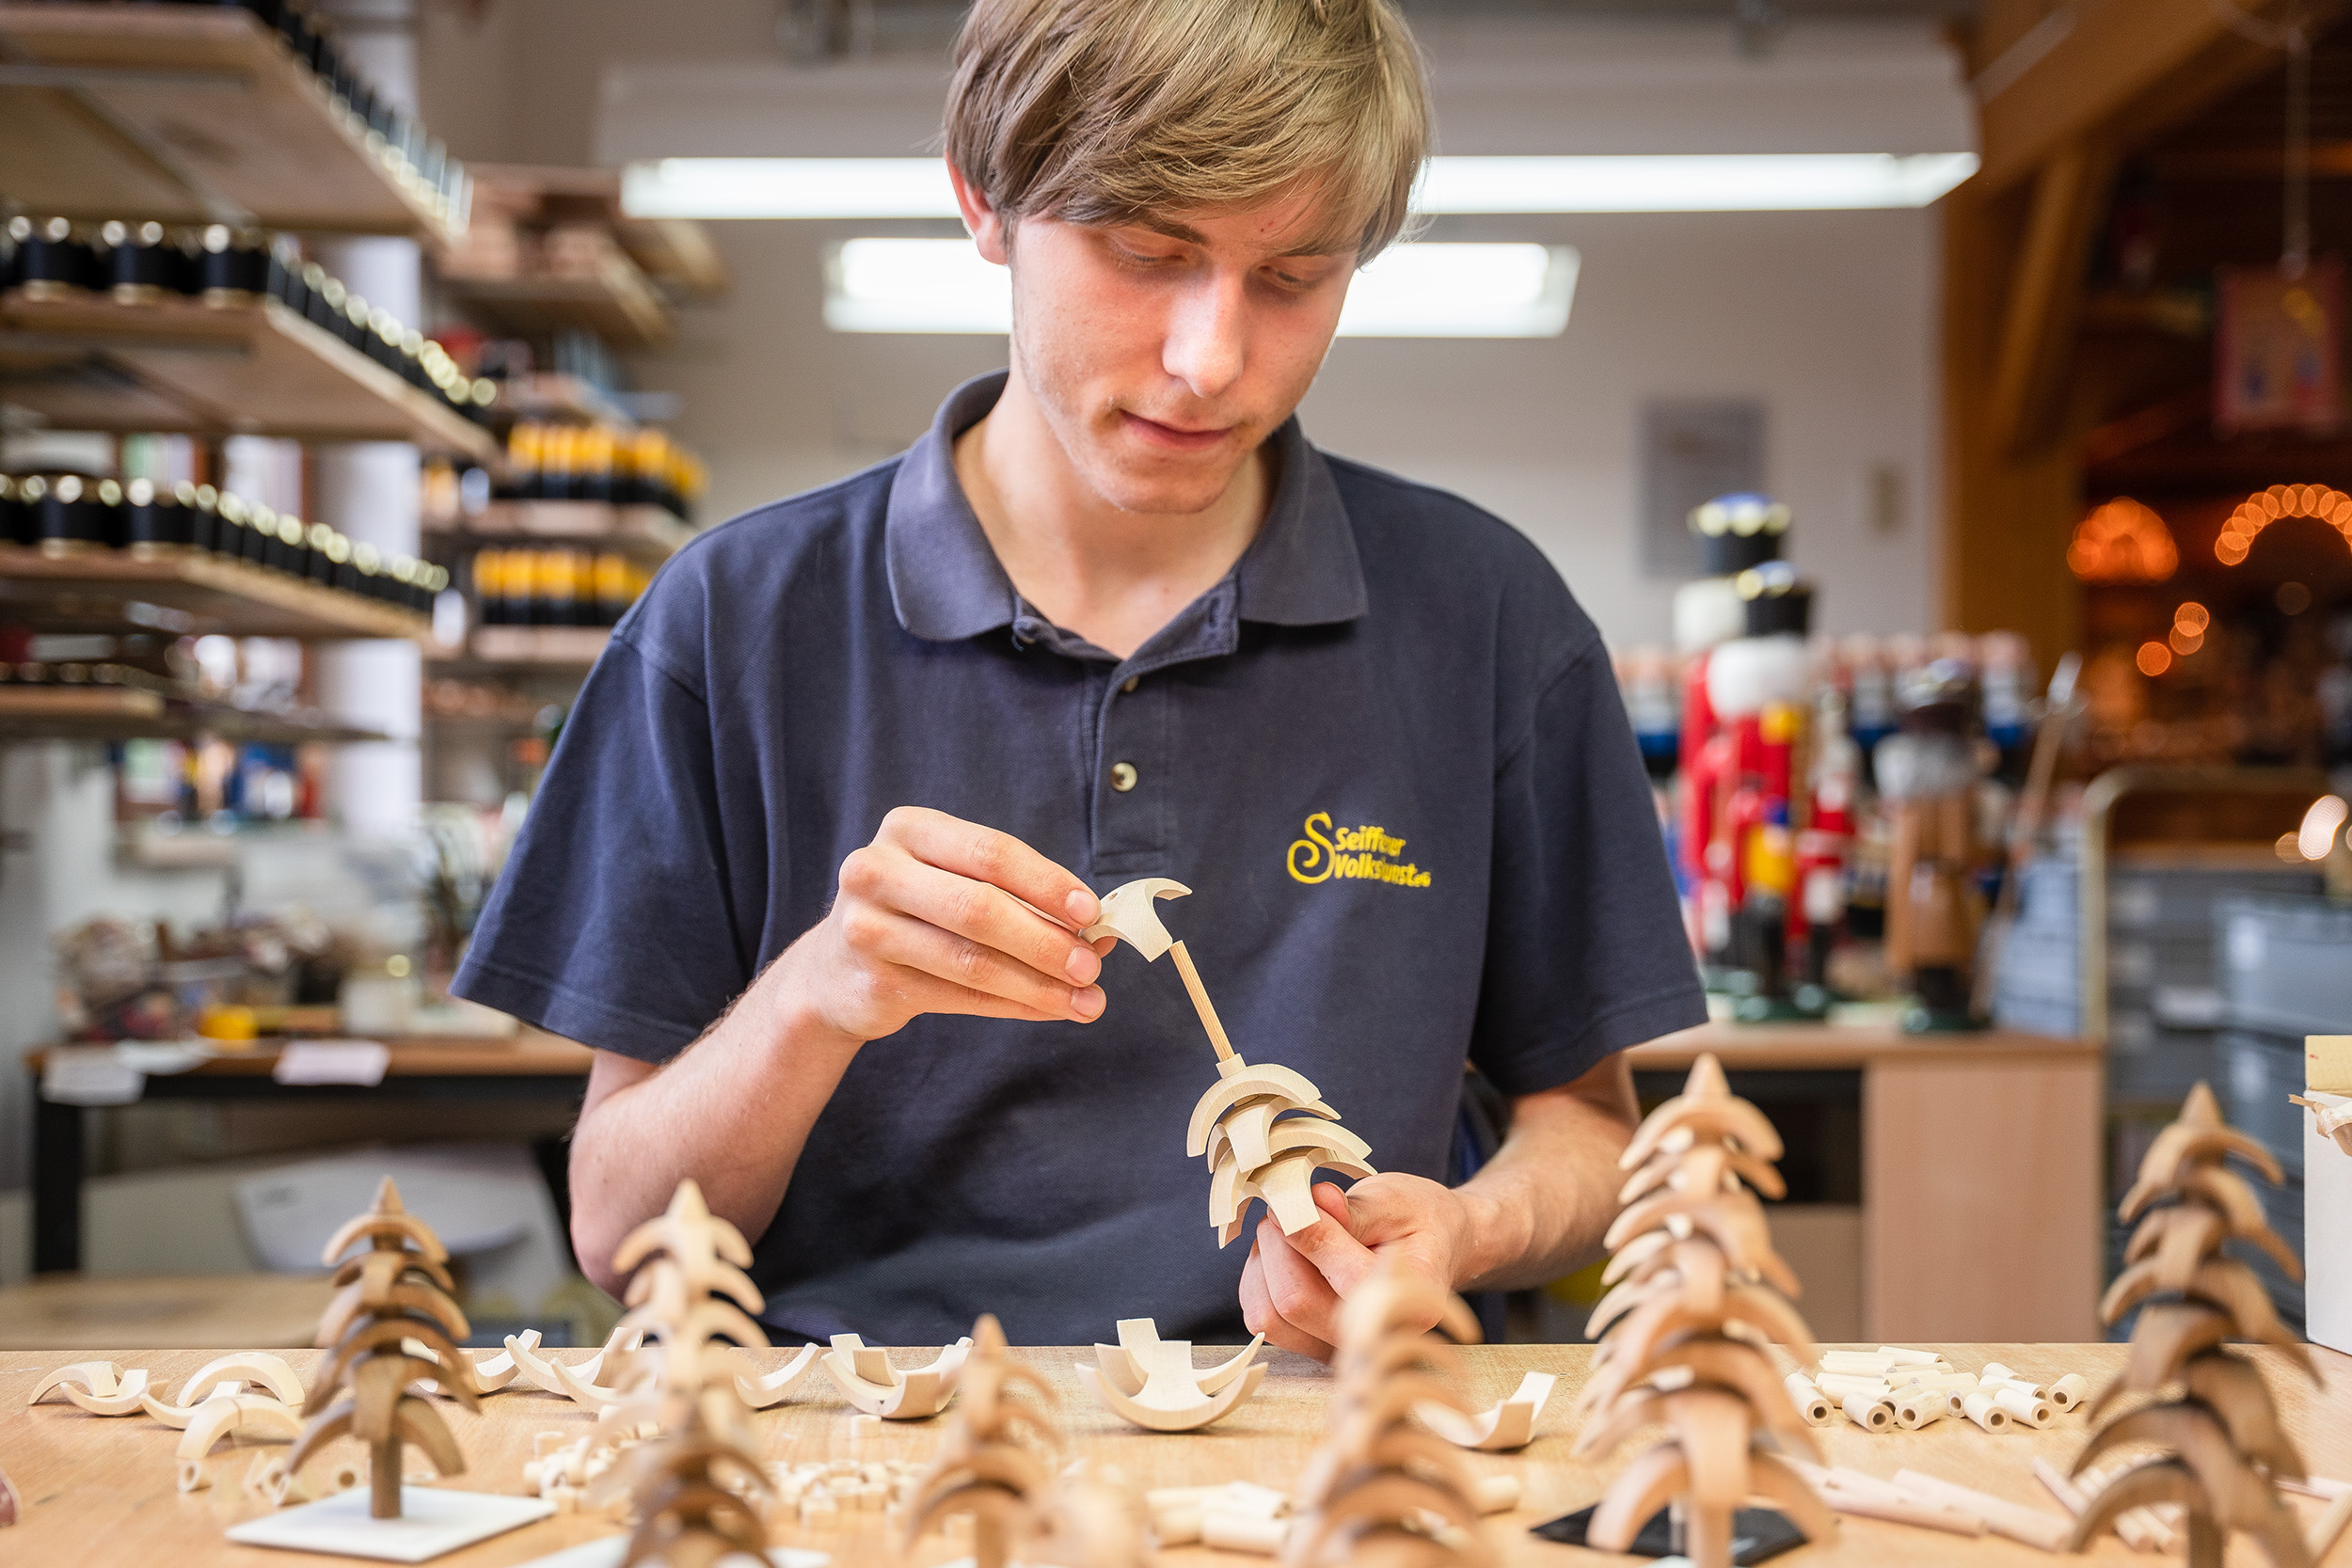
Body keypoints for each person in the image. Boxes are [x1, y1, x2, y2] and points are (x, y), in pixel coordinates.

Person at [453, 0, 1705, 1359]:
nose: (1210, 360)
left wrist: (1466, 1229)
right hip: (866, 1434)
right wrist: (818, 996)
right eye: (1146, 254)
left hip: (1336, 1428)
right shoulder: (729, 624)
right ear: (983, 200)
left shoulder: (1489, 617)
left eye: (1294, 277)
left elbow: (1586, 1127)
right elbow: (619, 1231)